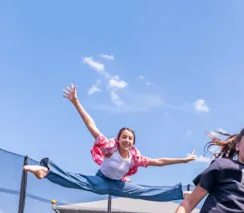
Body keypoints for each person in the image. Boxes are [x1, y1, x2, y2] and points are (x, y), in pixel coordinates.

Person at [24, 84, 196, 201]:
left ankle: (181, 193)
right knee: (80, 181)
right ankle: (46, 172)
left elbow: (159, 162)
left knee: (145, 192)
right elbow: (91, 125)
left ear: (133, 142)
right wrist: (76, 102)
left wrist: (184, 159)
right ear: (119, 139)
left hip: (120, 185)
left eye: (130, 138)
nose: (127, 140)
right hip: (102, 181)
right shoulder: (109, 148)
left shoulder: (135, 157)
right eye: (124, 137)